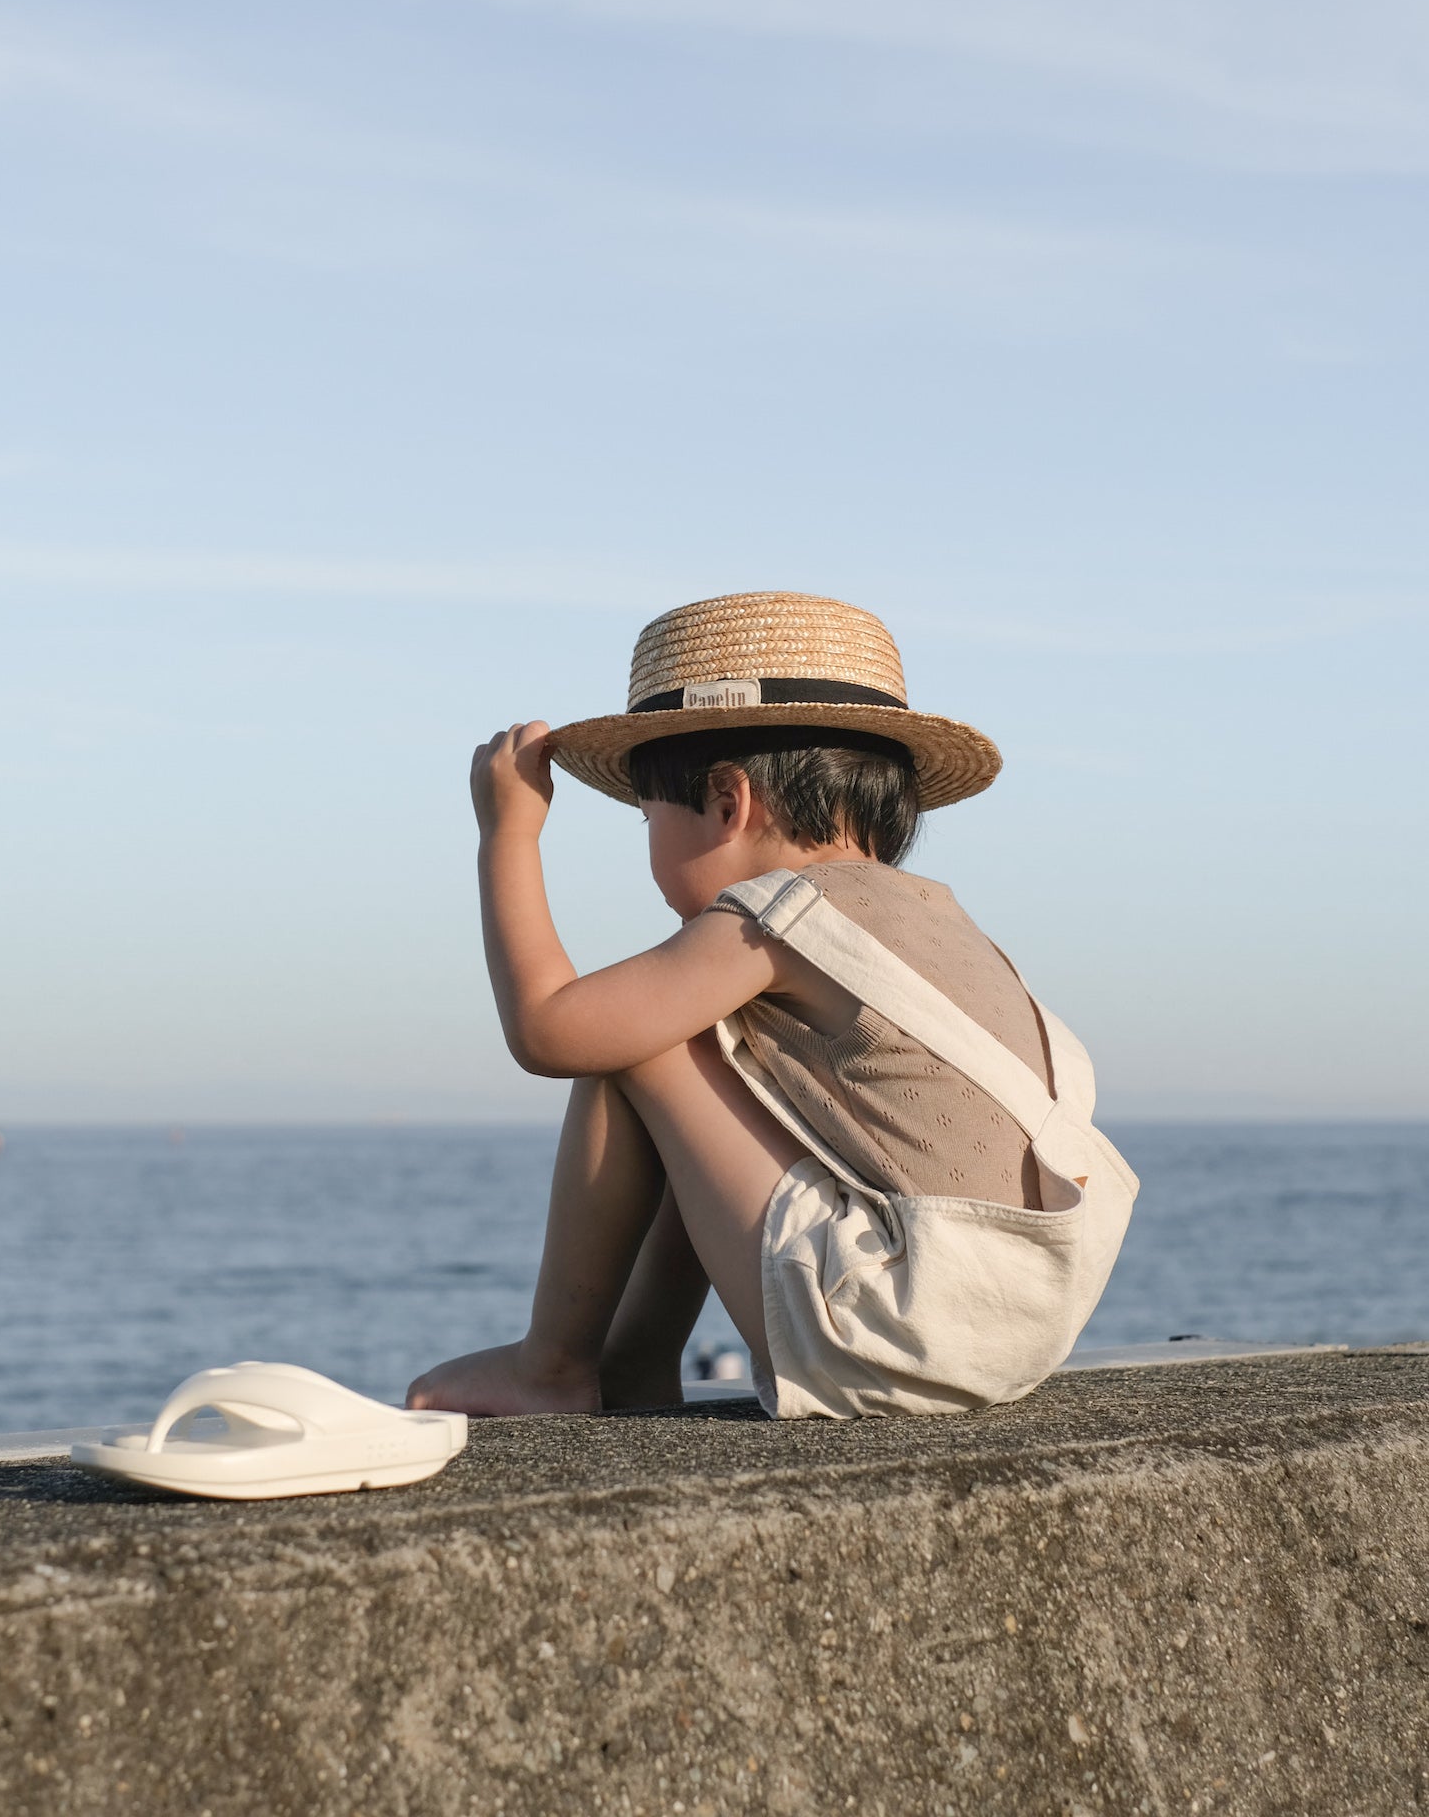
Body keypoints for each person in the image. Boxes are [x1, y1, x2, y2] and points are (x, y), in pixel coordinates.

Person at [407, 591, 1137, 1420]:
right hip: (1020, 1320)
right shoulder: (936, 917)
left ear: (727, 801)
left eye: (648, 816)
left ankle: (555, 1367)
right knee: (703, 1049)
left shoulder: (779, 915)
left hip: (898, 1322)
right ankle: (634, 1370)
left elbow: (550, 1030)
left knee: (638, 1039)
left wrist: (508, 835)